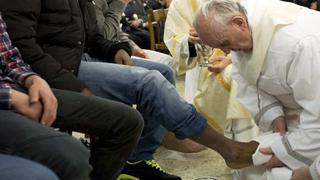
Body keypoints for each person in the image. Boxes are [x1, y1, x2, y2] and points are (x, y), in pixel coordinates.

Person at [0, 0, 259, 179]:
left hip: (76, 58)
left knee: (163, 71)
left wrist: (115, 50)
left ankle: (139, 157)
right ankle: (225, 148)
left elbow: (91, 36)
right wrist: (75, 86)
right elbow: (22, 46)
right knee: (148, 83)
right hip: (56, 68)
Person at [0, 13, 143, 180]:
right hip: (60, 69)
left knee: (128, 120)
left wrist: (31, 79)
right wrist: (10, 97)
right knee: (72, 156)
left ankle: (141, 157)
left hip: (26, 81)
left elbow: (9, 57)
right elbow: (29, 45)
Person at [194, 0, 320, 179]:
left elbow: (317, 113)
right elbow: (247, 76)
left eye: (225, 44)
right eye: (220, 47)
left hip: (314, 121)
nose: (226, 52)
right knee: (249, 166)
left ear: (240, 23)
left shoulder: (299, 44)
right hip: (297, 114)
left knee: (275, 172)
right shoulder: (244, 24)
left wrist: (287, 154)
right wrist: (274, 115)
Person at [94, 0, 206, 154]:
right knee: (151, 78)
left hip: (112, 49)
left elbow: (114, 32)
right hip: (95, 55)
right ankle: (150, 144)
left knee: (166, 68)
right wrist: (119, 4)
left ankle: (161, 131)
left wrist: (133, 47)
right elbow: (102, 35)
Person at [164, 0, 259, 141]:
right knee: (235, 77)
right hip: (203, 63)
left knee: (242, 74)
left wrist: (231, 58)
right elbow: (174, 41)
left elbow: (254, 28)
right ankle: (242, 140)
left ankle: (250, 136)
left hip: (243, 53)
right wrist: (190, 41)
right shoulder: (181, 4)